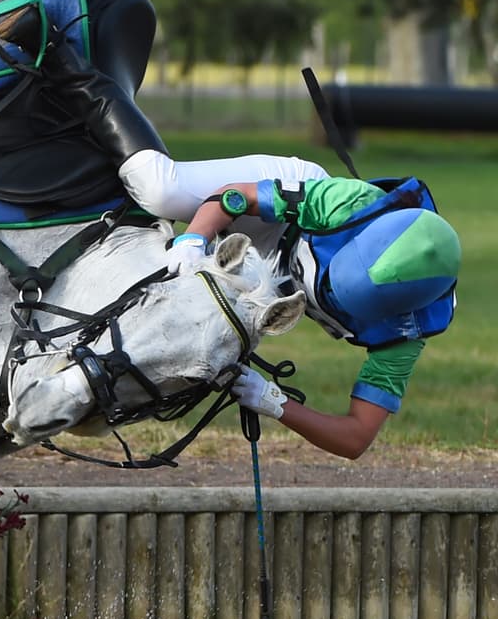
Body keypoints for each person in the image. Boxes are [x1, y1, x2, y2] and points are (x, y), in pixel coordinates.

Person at [51, 55, 462, 462]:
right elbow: (234, 198)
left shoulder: (405, 334)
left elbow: (355, 438)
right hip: (277, 219)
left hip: (276, 287)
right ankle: (64, 60)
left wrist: (275, 402)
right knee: (161, 190)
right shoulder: (350, 205)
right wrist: (193, 241)